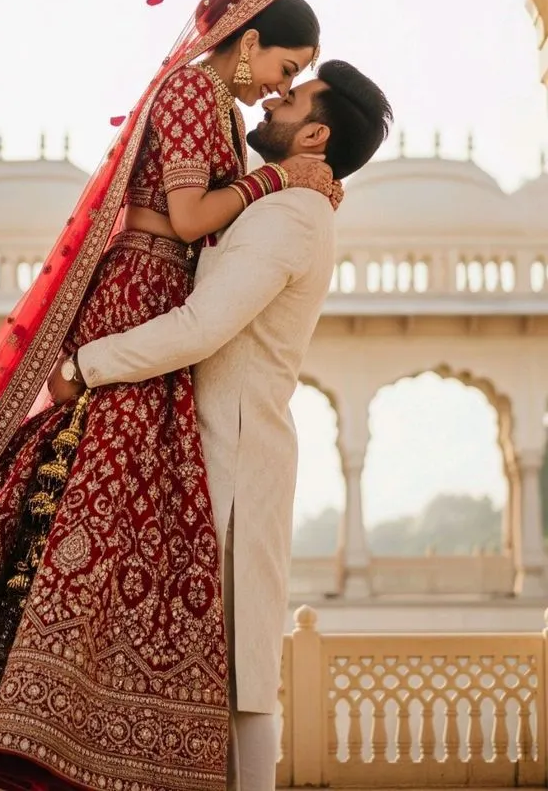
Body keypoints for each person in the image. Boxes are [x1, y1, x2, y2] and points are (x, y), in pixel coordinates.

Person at [0, 0, 336, 791]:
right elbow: (194, 218)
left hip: (163, 303)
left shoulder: (224, 112)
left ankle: (75, 721)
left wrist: (290, 185)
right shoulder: (196, 88)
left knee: (107, 520)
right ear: (249, 36)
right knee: (83, 498)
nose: (278, 84)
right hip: (142, 295)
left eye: (296, 78)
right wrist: (281, 181)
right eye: (284, 64)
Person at [48, 61, 393, 791]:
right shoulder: (274, 201)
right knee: (218, 669)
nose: (272, 98)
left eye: (291, 97)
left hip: (234, 466)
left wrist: (86, 363)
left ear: (316, 132)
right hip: (201, 458)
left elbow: (203, 326)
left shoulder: (292, 216)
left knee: (242, 674)